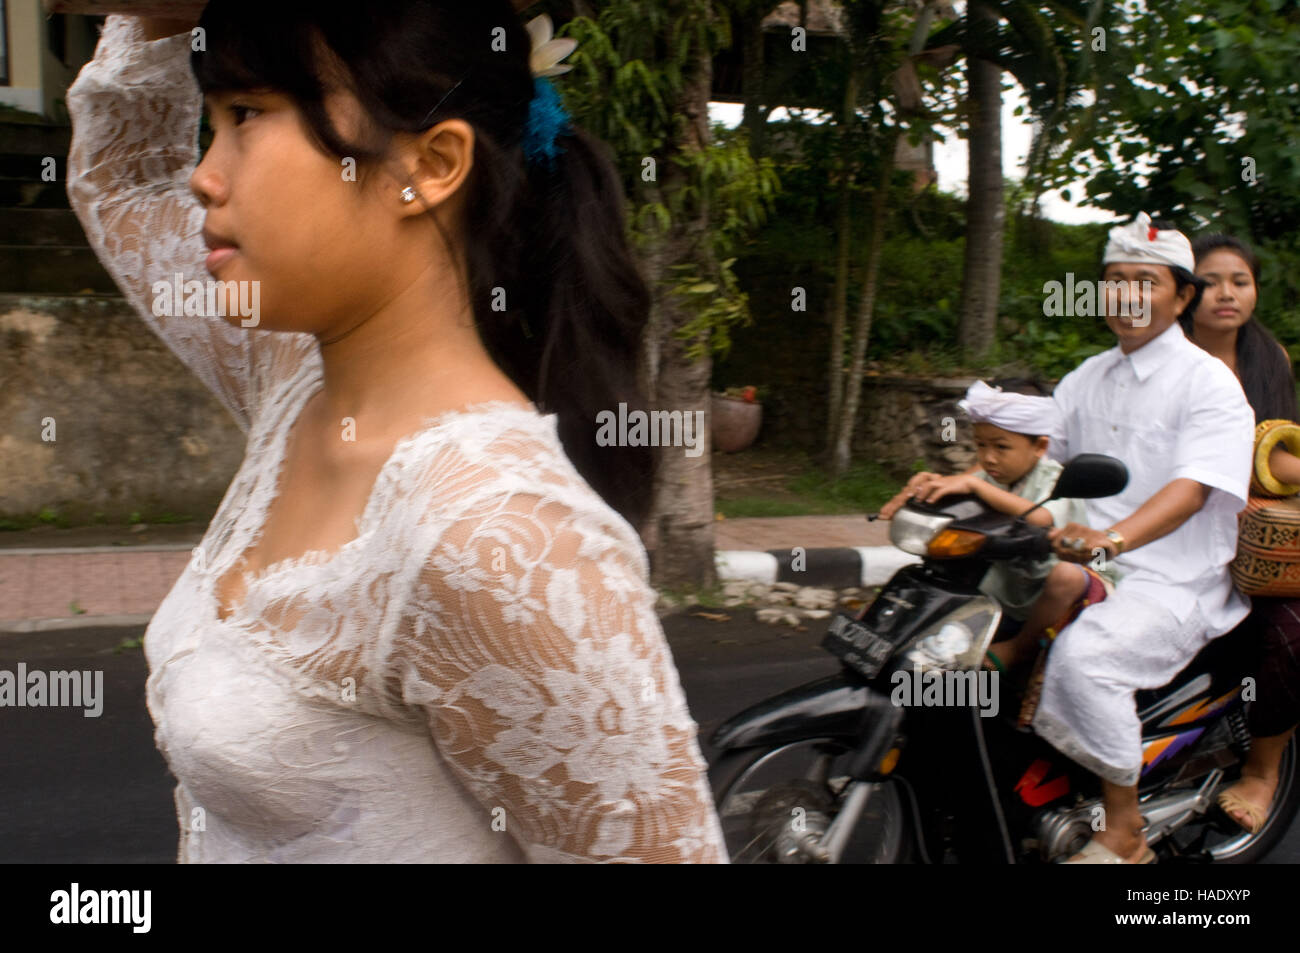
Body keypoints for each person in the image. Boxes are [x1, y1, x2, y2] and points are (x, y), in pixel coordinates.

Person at [63, 5, 727, 862]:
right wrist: (155, 19)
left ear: (431, 164)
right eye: (212, 122)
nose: (205, 175)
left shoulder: (498, 538)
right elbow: (122, 182)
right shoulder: (290, 377)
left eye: (250, 116)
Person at [1035, 212, 1255, 863]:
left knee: (1086, 658)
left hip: (1173, 578)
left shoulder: (1208, 382)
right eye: (1114, 280)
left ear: (1181, 296)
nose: (1127, 294)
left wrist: (1110, 538)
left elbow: (1190, 491)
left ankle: (1124, 830)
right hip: (1088, 560)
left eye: (1145, 281)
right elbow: (1042, 469)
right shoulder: (1085, 378)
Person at [879, 379, 1117, 682]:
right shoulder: (989, 474)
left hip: (1056, 586)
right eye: (981, 445)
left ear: (1040, 447)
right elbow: (960, 491)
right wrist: (926, 491)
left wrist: (975, 484)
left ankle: (1018, 649)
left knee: (1066, 576)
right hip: (1007, 583)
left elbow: (1042, 519)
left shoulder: (1055, 479)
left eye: (1001, 447)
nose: (989, 457)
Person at [1184, 233, 1300, 834]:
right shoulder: (1160, 356)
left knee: (1289, 630)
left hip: (1255, 542)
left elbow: (1280, 448)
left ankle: (1263, 769)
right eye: (1210, 280)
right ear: (1184, 289)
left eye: (1240, 280)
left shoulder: (1269, 358)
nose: (1225, 293)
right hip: (1171, 527)